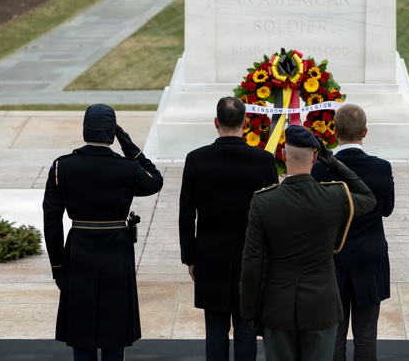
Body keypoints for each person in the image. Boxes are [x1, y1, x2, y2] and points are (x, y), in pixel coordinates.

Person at [240, 124, 376, 361]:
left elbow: (252, 261)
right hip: (321, 305)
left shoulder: (263, 201)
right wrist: (335, 164)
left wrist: (250, 312)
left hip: (277, 306)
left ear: (283, 154)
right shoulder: (334, 196)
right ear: (315, 157)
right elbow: (368, 198)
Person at [42, 103, 164, 361]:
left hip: (78, 251)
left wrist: (57, 266)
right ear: (112, 133)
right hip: (116, 252)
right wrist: (128, 145)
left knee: (81, 331)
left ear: (86, 129)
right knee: (115, 331)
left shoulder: (61, 167)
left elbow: (51, 222)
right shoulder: (127, 168)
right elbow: (155, 180)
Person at [179, 96, 279, 361]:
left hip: (210, 255)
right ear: (246, 123)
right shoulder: (264, 161)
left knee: (215, 332)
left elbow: (187, 215)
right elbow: (273, 214)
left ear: (216, 122)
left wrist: (190, 256)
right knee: (247, 331)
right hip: (252, 256)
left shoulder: (196, 159)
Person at [312, 104, 395, 361]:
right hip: (370, 258)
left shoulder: (320, 169)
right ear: (365, 132)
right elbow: (387, 209)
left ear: (334, 132)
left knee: (334, 337)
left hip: (333, 259)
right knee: (367, 336)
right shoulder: (381, 168)